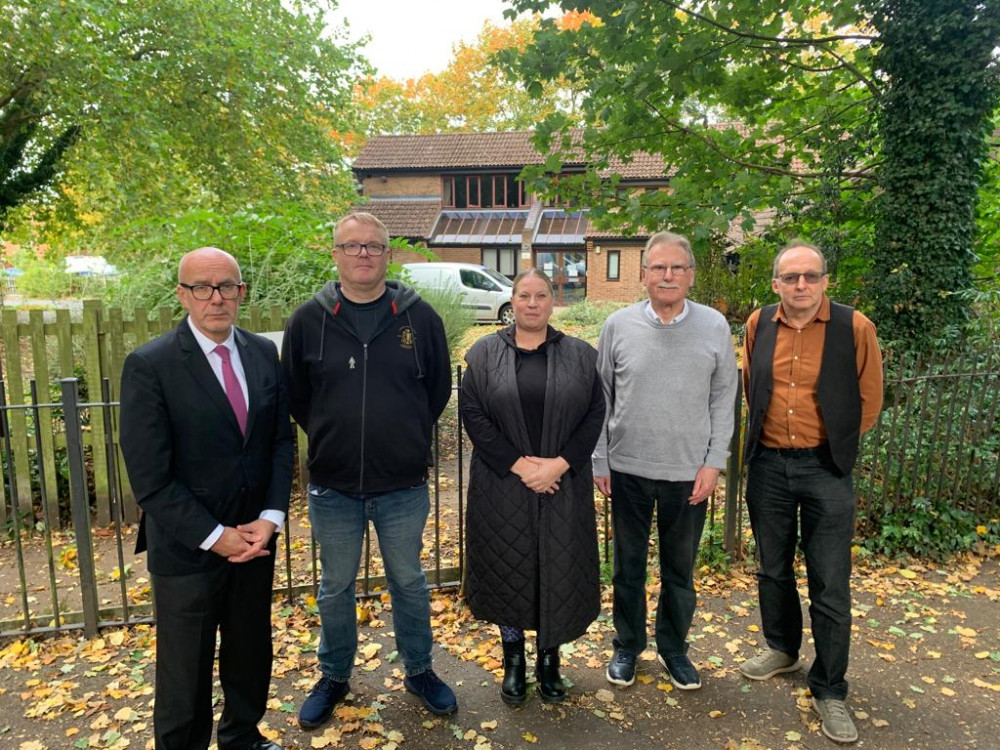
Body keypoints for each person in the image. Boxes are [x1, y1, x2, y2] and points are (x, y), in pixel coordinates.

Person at [281, 212, 456, 727]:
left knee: (408, 580)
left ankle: (420, 670)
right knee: (334, 587)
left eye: (373, 246)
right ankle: (334, 676)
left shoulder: (418, 318)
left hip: (402, 484)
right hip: (334, 487)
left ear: (387, 255)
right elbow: (296, 395)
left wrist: (402, 437)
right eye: (351, 246)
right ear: (335, 254)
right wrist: (334, 435)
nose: (363, 254)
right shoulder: (307, 320)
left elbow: (438, 389)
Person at [119, 247, 292, 750]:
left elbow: (279, 442)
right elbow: (150, 478)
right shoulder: (150, 365)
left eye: (227, 286)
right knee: (184, 671)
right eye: (202, 287)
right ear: (182, 295)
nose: (215, 297)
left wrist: (271, 516)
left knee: (249, 651)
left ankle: (242, 736)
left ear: (241, 292)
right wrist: (215, 538)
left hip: (254, 541)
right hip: (187, 548)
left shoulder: (262, 353)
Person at [740, 241, 883, 744]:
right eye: (791, 277)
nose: (802, 285)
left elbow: (870, 398)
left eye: (811, 276)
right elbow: (750, 386)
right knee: (772, 567)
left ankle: (830, 687)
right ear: (777, 283)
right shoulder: (759, 325)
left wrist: (838, 447)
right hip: (769, 466)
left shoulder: (854, 327)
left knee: (830, 581)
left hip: (826, 468)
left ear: (825, 281)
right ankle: (782, 648)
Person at [594, 231, 738, 692]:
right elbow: (600, 397)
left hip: (688, 474)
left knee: (680, 571)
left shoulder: (715, 326)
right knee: (627, 569)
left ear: (691, 275)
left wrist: (715, 461)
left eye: (677, 267)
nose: (668, 275)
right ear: (644, 275)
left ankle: (674, 650)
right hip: (628, 470)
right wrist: (600, 459)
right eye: (658, 267)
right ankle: (628, 646)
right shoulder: (617, 325)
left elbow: (723, 399)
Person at [461, 268, 605, 706]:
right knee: (508, 573)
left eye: (541, 295)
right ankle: (513, 662)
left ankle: (549, 661)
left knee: (557, 571)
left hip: (562, 485)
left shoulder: (581, 355)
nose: (532, 303)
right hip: (502, 483)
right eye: (524, 295)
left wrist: (559, 465)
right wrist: (521, 466)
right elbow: (474, 415)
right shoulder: (484, 355)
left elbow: (594, 414)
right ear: (513, 299)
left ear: (552, 301)